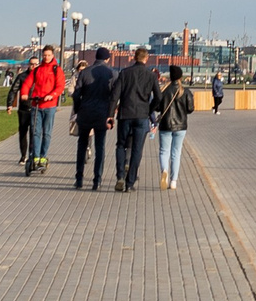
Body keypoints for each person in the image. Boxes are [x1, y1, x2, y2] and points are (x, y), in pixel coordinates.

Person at [113, 47, 161, 192]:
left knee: (121, 145)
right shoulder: (151, 75)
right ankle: (130, 182)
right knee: (137, 149)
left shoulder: (125, 73)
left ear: (134, 57)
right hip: (141, 116)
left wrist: (110, 113)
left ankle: (120, 176)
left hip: (125, 114)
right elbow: (159, 97)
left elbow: (115, 95)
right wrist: (149, 109)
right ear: (146, 59)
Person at [72, 47, 119, 190]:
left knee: (82, 145)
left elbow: (76, 94)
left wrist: (78, 108)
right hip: (102, 114)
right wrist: (111, 114)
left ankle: (79, 178)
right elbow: (114, 97)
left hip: (85, 112)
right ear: (108, 59)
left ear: (95, 57)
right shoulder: (112, 73)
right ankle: (97, 180)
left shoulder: (84, 72)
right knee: (100, 147)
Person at [18, 46, 66, 175]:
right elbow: (28, 82)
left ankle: (43, 157)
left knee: (47, 133)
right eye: (44, 55)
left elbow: (60, 86)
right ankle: (36, 157)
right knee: (35, 132)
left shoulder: (57, 70)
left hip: (49, 106)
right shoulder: (37, 70)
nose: (46, 57)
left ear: (52, 56)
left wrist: (53, 94)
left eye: (48, 55)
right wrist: (24, 93)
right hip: (37, 104)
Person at [153, 63, 196, 191]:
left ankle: (164, 170)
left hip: (165, 125)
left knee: (163, 151)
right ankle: (173, 181)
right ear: (180, 77)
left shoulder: (164, 91)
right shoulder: (186, 92)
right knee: (176, 153)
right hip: (181, 126)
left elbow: (157, 107)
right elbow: (190, 109)